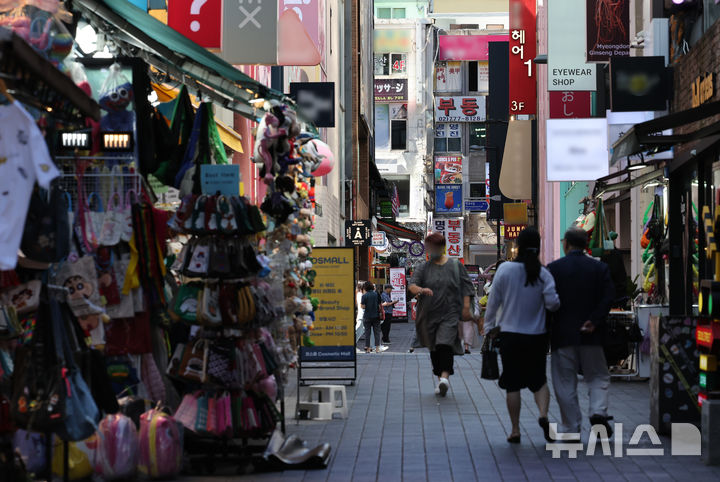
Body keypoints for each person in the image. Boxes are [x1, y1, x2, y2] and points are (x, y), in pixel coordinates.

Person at [483, 227, 561, 444]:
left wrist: (489, 328)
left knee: (513, 383)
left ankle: (515, 430)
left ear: (518, 245)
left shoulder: (505, 270)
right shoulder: (543, 273)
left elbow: (493, 302)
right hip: (537, 337)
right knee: (539, 380)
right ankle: (543, 416)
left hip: (510, 336)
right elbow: (553, 304)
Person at [548, 227, 615, 438]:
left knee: (564, 381)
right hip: (592, 335)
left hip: (562, 335)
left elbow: (548, 302)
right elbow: (608, 297)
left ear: (566, 244)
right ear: (586, 245)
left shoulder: (554, 269)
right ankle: (597, 410)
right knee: (598, 376)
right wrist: (594, 321)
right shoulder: (599, 268)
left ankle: (571, 428)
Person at [408, 233, 473, 397]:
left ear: (442, 247)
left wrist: (466, 307)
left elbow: (467, 288)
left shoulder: (456, 266)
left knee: (445, 344)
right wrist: (421, 290)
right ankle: (441, 379)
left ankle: (444, 378)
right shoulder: (423, 267)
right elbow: (412, 286)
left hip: (450, 314)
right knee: (434, 349)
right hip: (429, 316)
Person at [360, 281, 382, 353]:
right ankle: (377, 348)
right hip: (376, 316)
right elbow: (379, 306)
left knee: (367, 333)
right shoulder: (376, 294)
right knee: (377, 333)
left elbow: (362, 307)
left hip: (367, 316)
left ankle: (368, 348)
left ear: (365, 287)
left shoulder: (364, 296)